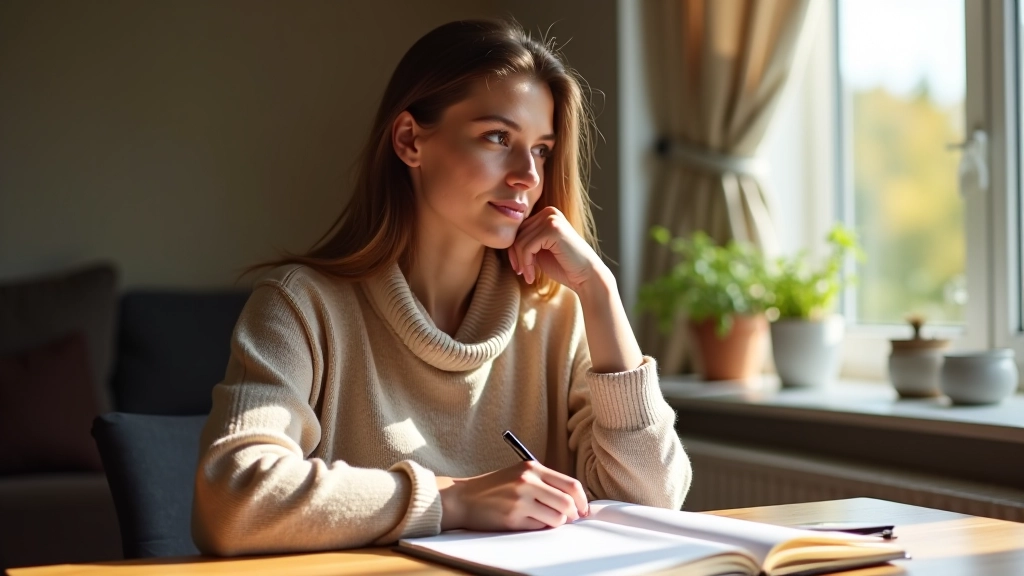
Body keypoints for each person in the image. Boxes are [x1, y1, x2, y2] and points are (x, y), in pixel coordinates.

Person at [192, 18, 691, 557]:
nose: (527, 175)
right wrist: (451, 500)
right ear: (410, 140)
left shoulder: (558, 316)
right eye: (497, 137)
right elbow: (232, 499)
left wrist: (600, 291)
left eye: (541, 149)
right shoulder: (301, 307)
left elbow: (654, 500)